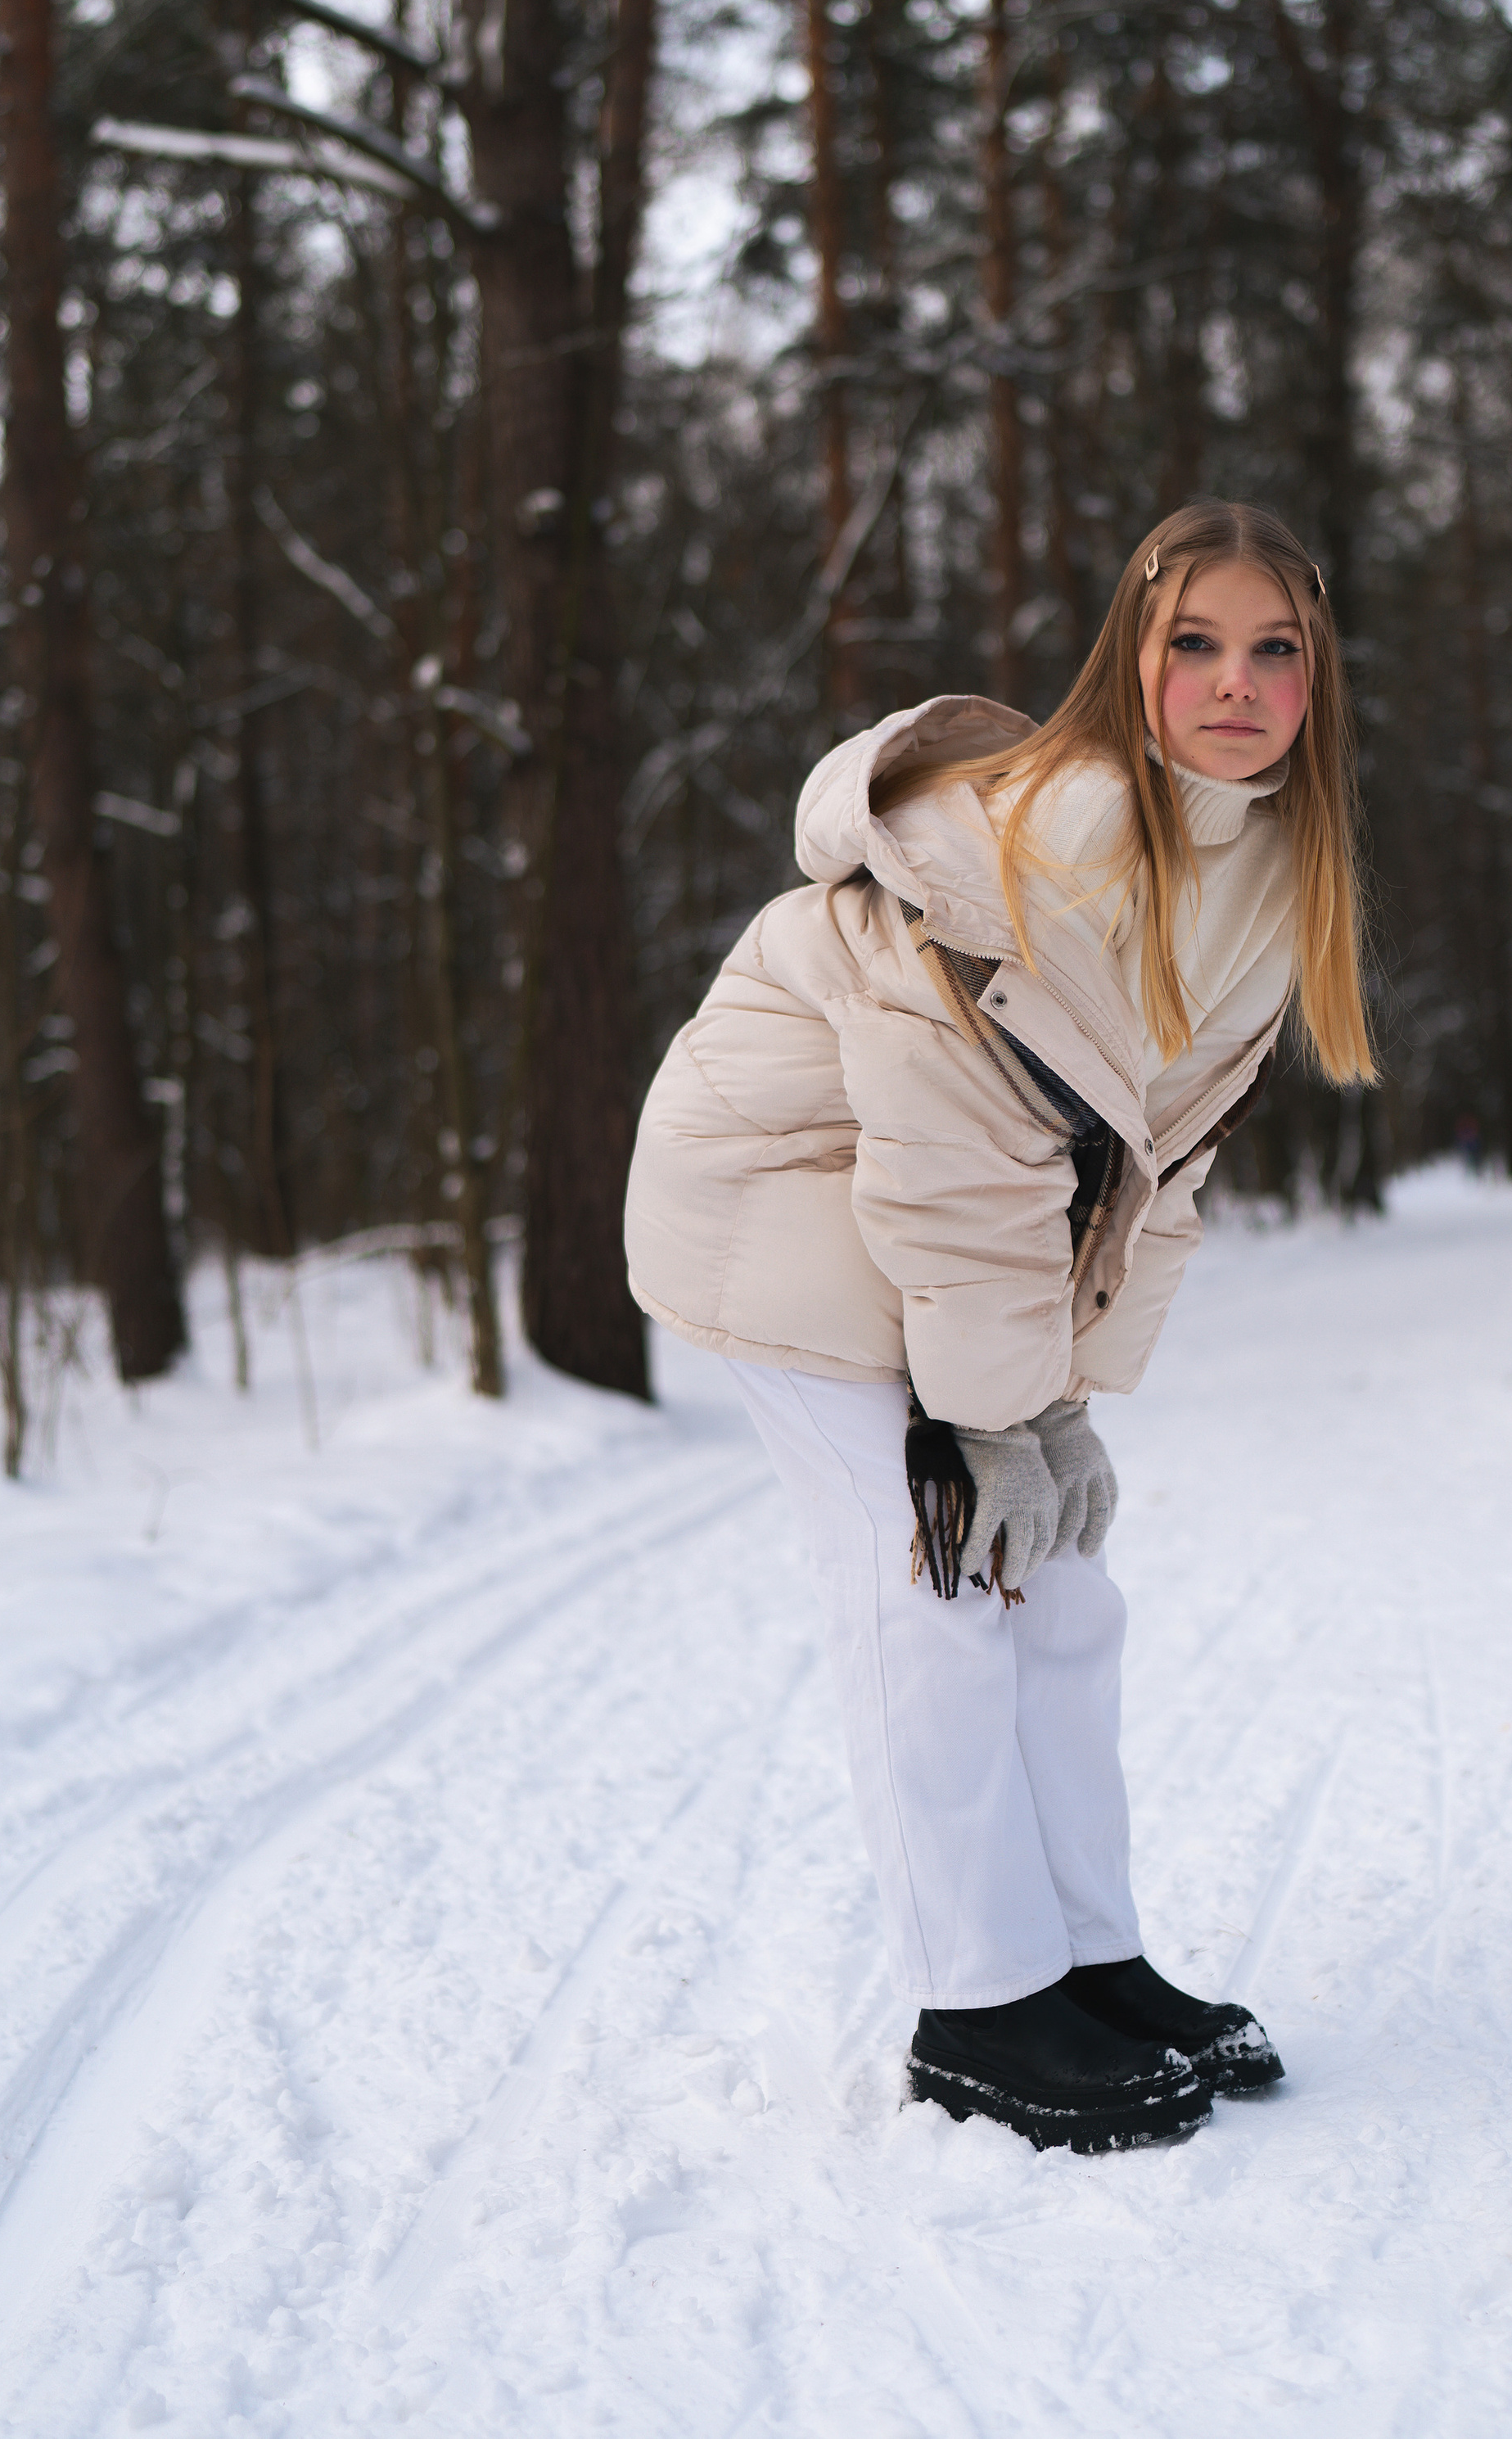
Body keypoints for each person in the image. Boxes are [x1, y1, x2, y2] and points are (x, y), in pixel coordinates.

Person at [625, 497, 1374, 2153]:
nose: (1235, 681)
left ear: (1315, 678)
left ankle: (1086, 1961)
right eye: (1194, 642)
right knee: (936, 1574)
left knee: (1062, 1583)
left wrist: (1061, 1400)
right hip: (789, 1190)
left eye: (1275, 649)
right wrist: (986, 1415)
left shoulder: (1266, 866)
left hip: (930, 1208)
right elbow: (954, 1143)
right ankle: (977, 2006)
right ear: (1131, 657)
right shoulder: (1066, 837)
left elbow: (1151, 1167)